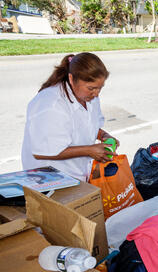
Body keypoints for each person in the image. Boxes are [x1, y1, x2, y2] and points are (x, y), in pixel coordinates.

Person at [21, 52, 120, 182]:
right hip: (48, 180)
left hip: (76, 174)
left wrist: (104, 136)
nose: (96, 93)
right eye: (91, 88)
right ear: (72, 79)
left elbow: (87, 125)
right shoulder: (51, 105)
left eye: (99, 88)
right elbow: (42, 151)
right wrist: (89, 150)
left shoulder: (89, 97)